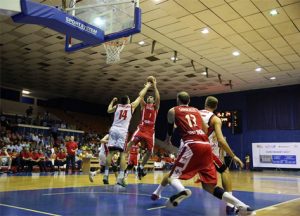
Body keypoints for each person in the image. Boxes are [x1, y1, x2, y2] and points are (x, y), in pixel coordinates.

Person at [151, 92, 255, 216]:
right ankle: (241, 206)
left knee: (172, 176)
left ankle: (182, 191)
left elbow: (171, 128)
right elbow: (206, 130)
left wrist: (170, 138)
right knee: (210, 186)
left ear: (177, 100)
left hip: (190, 145)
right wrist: (233, 156)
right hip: (206, 148)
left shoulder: (177, 110)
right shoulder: (198, 112)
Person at [199, 96, 244, 215]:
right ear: (216, 106)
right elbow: (221, 140)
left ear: (205, 104)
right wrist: (233, 156)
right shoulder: (215, 119)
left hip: (190, 149)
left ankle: (159, 191)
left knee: (204, 185)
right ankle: (230, 204)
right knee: (224, 170)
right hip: (205, 151)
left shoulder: (195, 114)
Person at [102, 82, 152, 187]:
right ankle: (120, 178)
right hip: (122, 131)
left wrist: (112, 101)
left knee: (110, 153)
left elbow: (108, 110)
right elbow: (140, 96)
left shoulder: (117, 106)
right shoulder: (131, 106)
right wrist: (147, 87)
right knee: (123, 154)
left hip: (113, 129)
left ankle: (105, 176)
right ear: (128, 101)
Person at [126, 78, 160, 179]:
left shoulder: (155, 107)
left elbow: (158, 98)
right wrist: (146, 87)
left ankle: (141, 167)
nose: (149, 97)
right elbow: (141, 96)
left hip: (150, 131)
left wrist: (155, 86)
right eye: (148, 97)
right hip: (141, 128)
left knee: (150, 151)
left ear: (153, 100)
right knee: (131, 142)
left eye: (151, 97)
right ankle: (122, 158)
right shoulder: (143, 105)